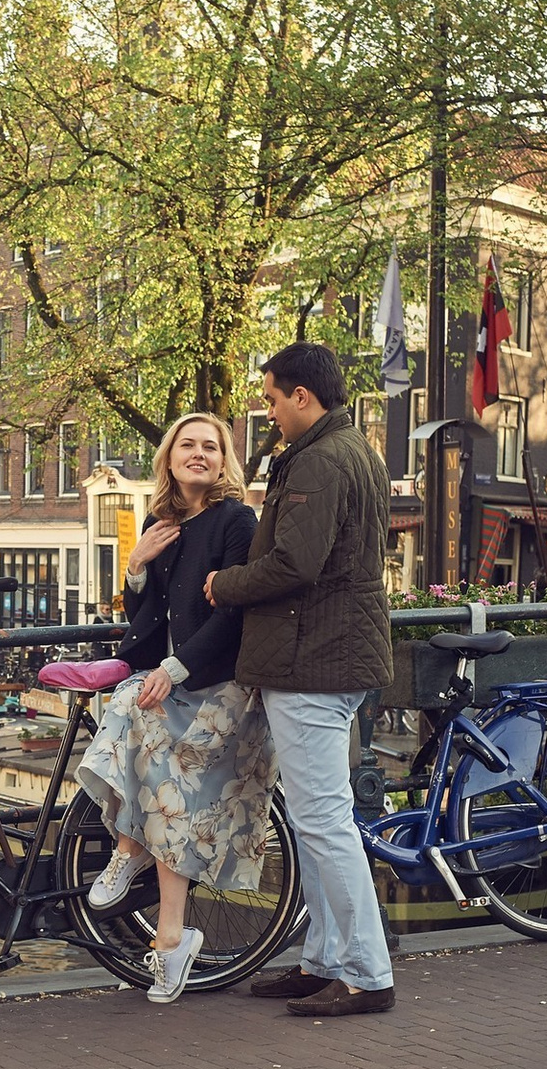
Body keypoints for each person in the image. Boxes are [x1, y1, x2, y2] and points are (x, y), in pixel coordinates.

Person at [205, 341, 396, 1017]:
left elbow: (295, 563)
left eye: (272, 399)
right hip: (330, 654)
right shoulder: (355, 450)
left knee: (324, 820)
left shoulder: (318, 459)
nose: (269, 412)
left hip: (314, 658)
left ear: (302, 397)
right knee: (318, 822)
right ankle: (324, 961)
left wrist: (224, 583)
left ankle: (368, 973)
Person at [75, 412, 273, 1005]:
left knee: (144, 727)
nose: (199, 454)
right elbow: (148, 618)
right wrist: (136, 567)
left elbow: (233, 613)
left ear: (223, 460)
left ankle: (128, 849)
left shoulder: (237, 520)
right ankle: (169, 936)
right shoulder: (160, 524)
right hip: (176, 685)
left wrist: (173, 669)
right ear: (169, 457)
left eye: (210, 446)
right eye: (187, 444)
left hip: (223, 686)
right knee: (164, 783)